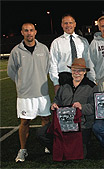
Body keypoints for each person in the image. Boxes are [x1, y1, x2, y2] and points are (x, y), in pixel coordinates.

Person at [7, 23, 51, 162]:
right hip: (25, 95)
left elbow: (47, 68)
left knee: (46, 119)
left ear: (35, 32)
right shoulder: (16, 51)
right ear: (22, 32)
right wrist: (23, 84)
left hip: (42, 93)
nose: (29, 33)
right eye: (26, 31)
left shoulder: (43, 49)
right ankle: (23, 150)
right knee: (25, 122)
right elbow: (11, 72)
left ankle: (47, 144)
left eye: (31, 30)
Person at [37, 58, 98, 159]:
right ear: (71, 71)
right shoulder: (65, 85)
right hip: (63, 122)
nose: (76, 73)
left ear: (84, 72)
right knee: (41, 133)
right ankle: (58, 148)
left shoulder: (91, 87)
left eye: (79, 70)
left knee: (81, 154)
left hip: (82, 124)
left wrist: (82, 107)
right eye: (74, 70)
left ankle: (74, 146)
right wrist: (54, 105)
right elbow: (57, 99)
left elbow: (94, 107)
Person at [49, 14, 96, 94]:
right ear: (62, 25)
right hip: (65, 77)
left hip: (81, 76)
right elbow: (53, 63)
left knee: (81, 104)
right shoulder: (56, 42)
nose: (68, 25)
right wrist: (56, 83)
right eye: (65, 23)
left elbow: (88, 61)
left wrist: (92, 79)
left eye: (70, 23)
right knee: (66, 105)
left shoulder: (83, 41)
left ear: (74, 24)